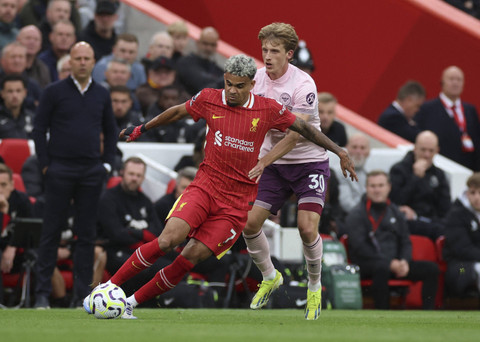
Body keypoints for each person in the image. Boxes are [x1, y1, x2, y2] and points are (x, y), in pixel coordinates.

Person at [83, 54, 356, 320]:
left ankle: (130, 304)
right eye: (228, 83)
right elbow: (177, 111)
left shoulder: (268, 109)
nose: (232, 91)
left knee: (188, 259)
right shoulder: (208, 98)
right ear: (224, 80)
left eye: (239, 85)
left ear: (251, 84)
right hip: (204, 188)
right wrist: (142, 128)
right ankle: (110, 287)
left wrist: (339, 151)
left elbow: (306, 130)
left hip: (235, 206)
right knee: (167, 240)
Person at [241, 23, 335, 320]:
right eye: (264, 50)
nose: (267, 57)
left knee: (307, 228)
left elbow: (296, 135)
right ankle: (270, 276)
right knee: (249, 224)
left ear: (289, 54)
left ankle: (314, 287)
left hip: (308, 162)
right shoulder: (256, 80)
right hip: (274, 164)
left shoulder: (303, 85)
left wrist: (263, 160)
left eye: (274, 51)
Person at [32, 41, 117, 309]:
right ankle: (42, 294)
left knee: (86, 235)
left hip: (91, 170)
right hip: (60, 169)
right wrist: (46, 164)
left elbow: (111, 131)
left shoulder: (102, 94)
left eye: (86, 58)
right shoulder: (53, 92)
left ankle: (82, 296)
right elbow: (38, 129)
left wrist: (106, 165)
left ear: (94, 62)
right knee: (51, 233)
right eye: (77, 57)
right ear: (69, 61)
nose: (81, 62)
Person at [345, 170, 439, 310]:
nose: (377, 190)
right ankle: (383, 312)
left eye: (381, 185)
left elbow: (405, 241)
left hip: (396, 263)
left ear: (389, 187)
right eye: (373, 186)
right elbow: (360, 247)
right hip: (368, 264)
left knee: (432, 269)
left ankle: (429, 312)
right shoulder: (356, 214)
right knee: (381, 268)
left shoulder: (395, 211)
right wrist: (389, 263)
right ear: (367, 188)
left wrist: (404, 261)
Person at [96, 157, 164, 294]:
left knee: (169, 266)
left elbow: (158, 232)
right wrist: (144, 235)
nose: (134, 178)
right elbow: (116, 234)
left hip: (142, 251)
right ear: (122, 173)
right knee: (143, 270)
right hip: (115, 251)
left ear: (143, 178)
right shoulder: (108, 198)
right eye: (131, 174)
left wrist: (134, 233)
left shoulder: (145, 201)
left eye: (138, 175)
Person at [415, 66, 480, 171]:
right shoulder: (427, 109)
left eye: (459, 80)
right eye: (451, 79)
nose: (455, 83)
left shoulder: (470, 110)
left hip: (468, 168)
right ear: (442, 82)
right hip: (440, 168)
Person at [389, 131, 451, 240]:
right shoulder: (399, 169)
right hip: (408, 222)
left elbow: (445, 207)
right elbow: (396, 200)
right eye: (423, 150)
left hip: (432, 221)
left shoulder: (439, 174)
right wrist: (415, 178)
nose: (427, 155)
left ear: (437, 151)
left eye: (431, 151)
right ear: (415, 148)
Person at [0, 163, 33, 305]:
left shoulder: (22, 201)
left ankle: (40, 302)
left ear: (12, 185)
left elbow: (30, 230)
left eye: (3, 185)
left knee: (39, 256)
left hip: (18, 254)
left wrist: (12, 247)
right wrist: (3, 213)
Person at [443, 172, 480, 297]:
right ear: (467, 193)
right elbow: (462, 250)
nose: (477, 198)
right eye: (473, 193)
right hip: (460, 267)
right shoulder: (456, 215)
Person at [336, 133, 371, 232]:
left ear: (368, 152)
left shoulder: (370, 174)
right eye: (354, 147)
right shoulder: (339, 173)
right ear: (346, 150)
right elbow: (346, 204)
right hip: (348, 223)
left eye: (362, 148)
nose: (358, 151)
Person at [175, 27, 224, 95]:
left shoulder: (218, 70)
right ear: (197, 43)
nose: (208, 48)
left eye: (212, 45)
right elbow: (200, 85)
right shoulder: (185, 63)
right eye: (205, 43)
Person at [0, 42, 42, 110]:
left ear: (26, 61)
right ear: (2, 61)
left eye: (21, 57)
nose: (17, 61)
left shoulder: (33, 85)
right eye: (13, 57)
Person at [0, 73, 34, 139]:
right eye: (10, 91)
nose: (14, 95)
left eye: (18, 91)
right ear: (2, 94)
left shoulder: (33, 118)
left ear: (25, 93)